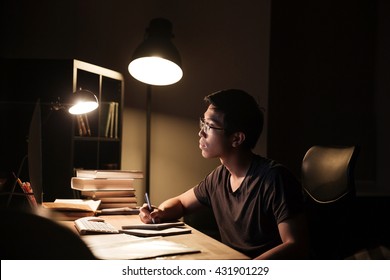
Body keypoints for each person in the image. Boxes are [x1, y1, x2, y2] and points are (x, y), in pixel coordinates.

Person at [139, 89, 309, 259]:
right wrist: (159, 212)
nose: (201, 132)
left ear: (237, 138)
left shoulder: (274, 178)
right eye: (202, 123)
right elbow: (181, 202)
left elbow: (295, 245)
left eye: (209, 126)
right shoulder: (219, 177)